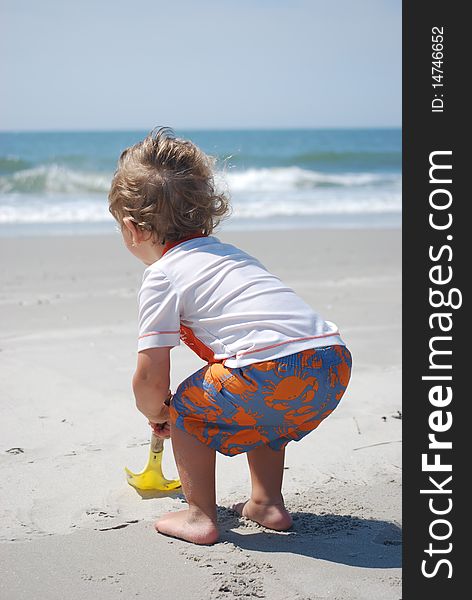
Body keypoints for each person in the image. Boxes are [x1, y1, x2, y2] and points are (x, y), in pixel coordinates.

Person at [108, 126, 352, 546]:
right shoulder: (230, 254)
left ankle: (199, 516)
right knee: (267, 410)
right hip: (330, 362)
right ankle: (266, 502)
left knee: (189, 404)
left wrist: (162, 412)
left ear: (132, 228)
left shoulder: (161, 274)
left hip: (269, 367)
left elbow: (150, 379)